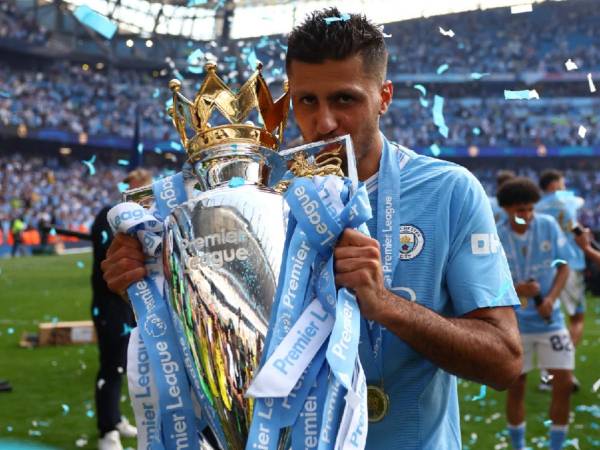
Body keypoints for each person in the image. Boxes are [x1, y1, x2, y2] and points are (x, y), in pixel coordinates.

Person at [102, 8, 522, 449]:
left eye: (345, 99)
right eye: (307, 101)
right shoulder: (253, 201)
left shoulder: (448, 191)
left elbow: (504, 361)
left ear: (384, 96)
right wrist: (150, 284)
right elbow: (217, 349)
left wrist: (385, 306)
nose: (324, 123)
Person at [496, 177, 574, 450]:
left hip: (549, 320)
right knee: (516, 387)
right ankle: (518, 446)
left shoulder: (549, 226)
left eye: (530, 209)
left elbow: (564, 266)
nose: (526, 216)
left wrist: (551, 298)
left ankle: (556, 446)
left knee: (563, 383)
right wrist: (518, 289)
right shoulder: (496, 235)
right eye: (520, 211)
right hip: (515, 325)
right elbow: (489, 281)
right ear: (506, 210)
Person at [92, 168, 151, 450]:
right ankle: (106, 430)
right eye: (144, 187)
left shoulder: (145, 219)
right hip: (110, 305)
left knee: (125, 364)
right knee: (111, 364)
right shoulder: (108, 216)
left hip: (130, 306)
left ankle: (115, 420)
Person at [536, 169, 585, 390]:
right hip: (569, 264)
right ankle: (561, 371)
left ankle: (548, 374)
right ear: (555, 184)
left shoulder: (536, 207)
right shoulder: (564, 203)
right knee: (577, 318)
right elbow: (575, 230)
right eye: (562, 182)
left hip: (545, 268)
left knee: (552, 320)